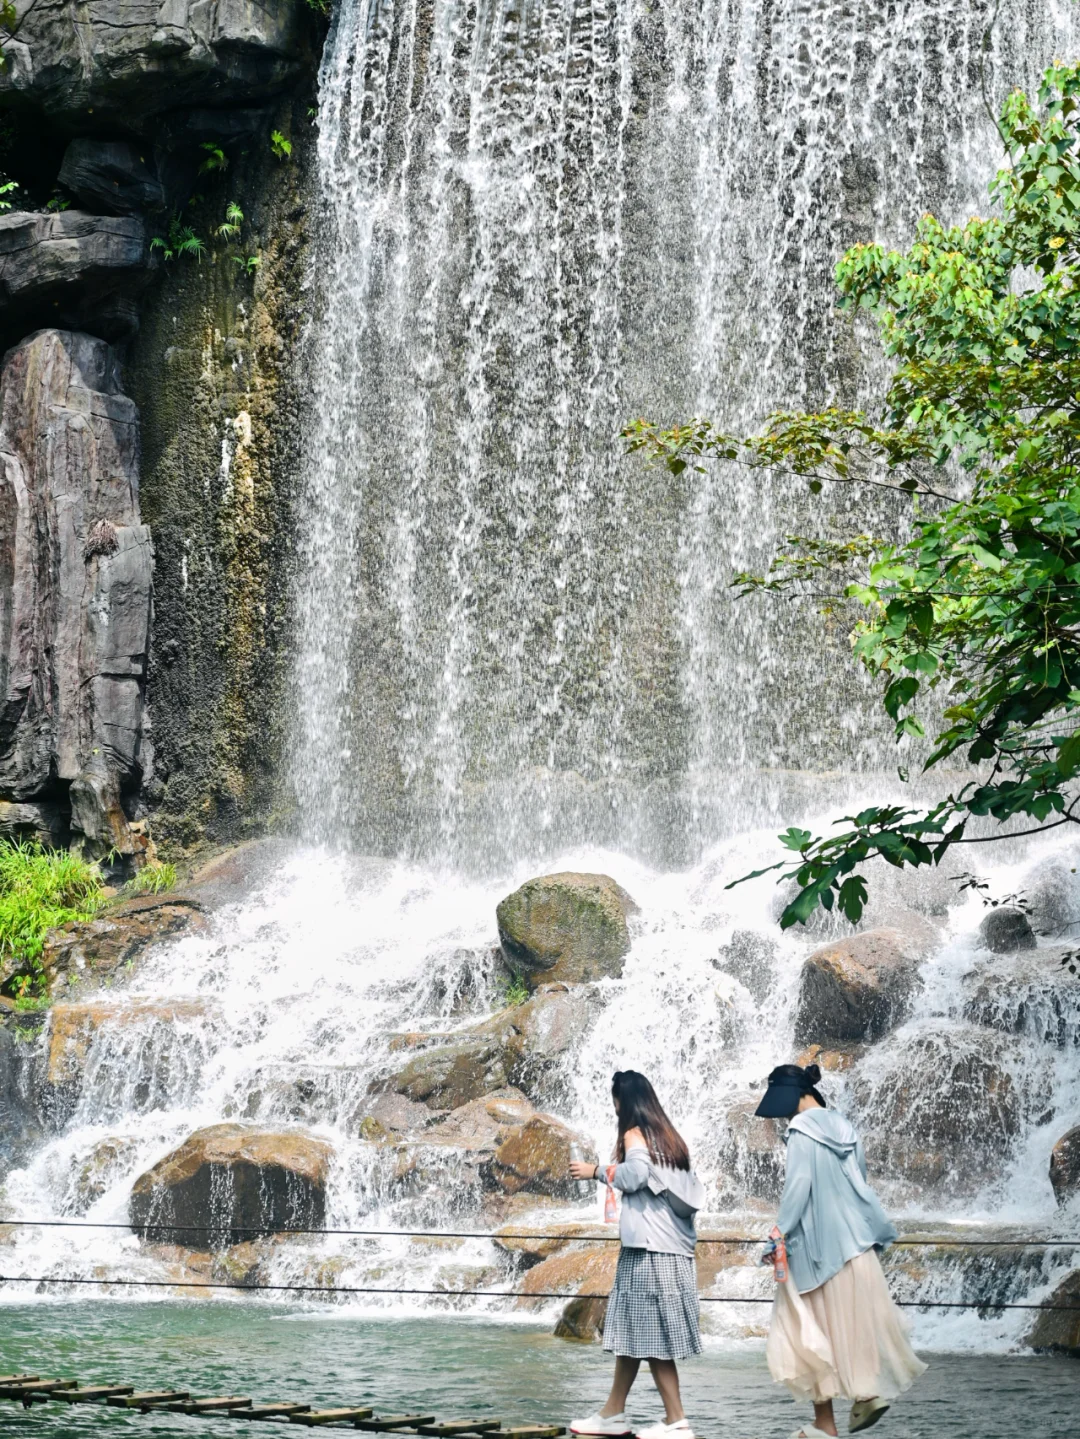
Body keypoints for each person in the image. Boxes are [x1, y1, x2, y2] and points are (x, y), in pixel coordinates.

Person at [755, 1063, 926, 1438]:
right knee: (850, 1324)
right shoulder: (845, 1127)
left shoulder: (801, 1132)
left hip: (819, 1250)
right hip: (857, 1246)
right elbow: (859, 1179)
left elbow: (798, 1187)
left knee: (811, 1330)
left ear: (793, 1095)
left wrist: (778, 1233)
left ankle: (825, 1425)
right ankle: (865, 1393)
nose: (783, 1114)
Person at [568, 1071, 705, 1439]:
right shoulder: (669, 1138)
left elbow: (636, 1175)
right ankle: (613, 1413)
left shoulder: (634, 1134)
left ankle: (676, 1420)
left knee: (653, 1334)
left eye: (615, 1099)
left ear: (623, 1101)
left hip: (649, 1252)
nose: (613, 1107)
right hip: (671, 1250)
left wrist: (595, 1171)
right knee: (634, 1333)